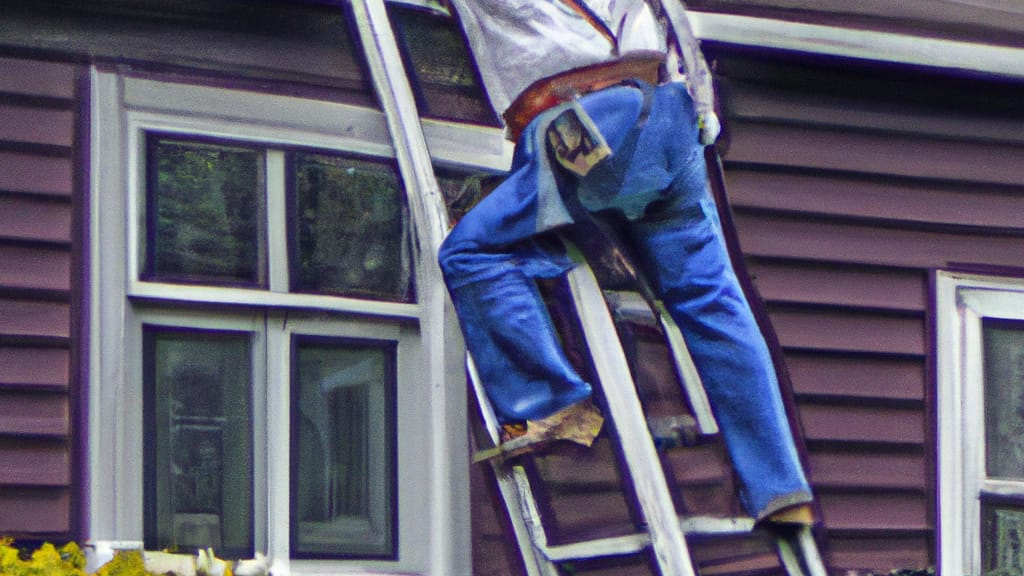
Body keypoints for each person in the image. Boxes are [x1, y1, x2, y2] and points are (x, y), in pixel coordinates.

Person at [438, 0, 815, 525]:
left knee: (472, 251)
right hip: (672, 118)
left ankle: (548, 405)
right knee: (710, 299)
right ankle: (782, 491)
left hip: (583, 122)